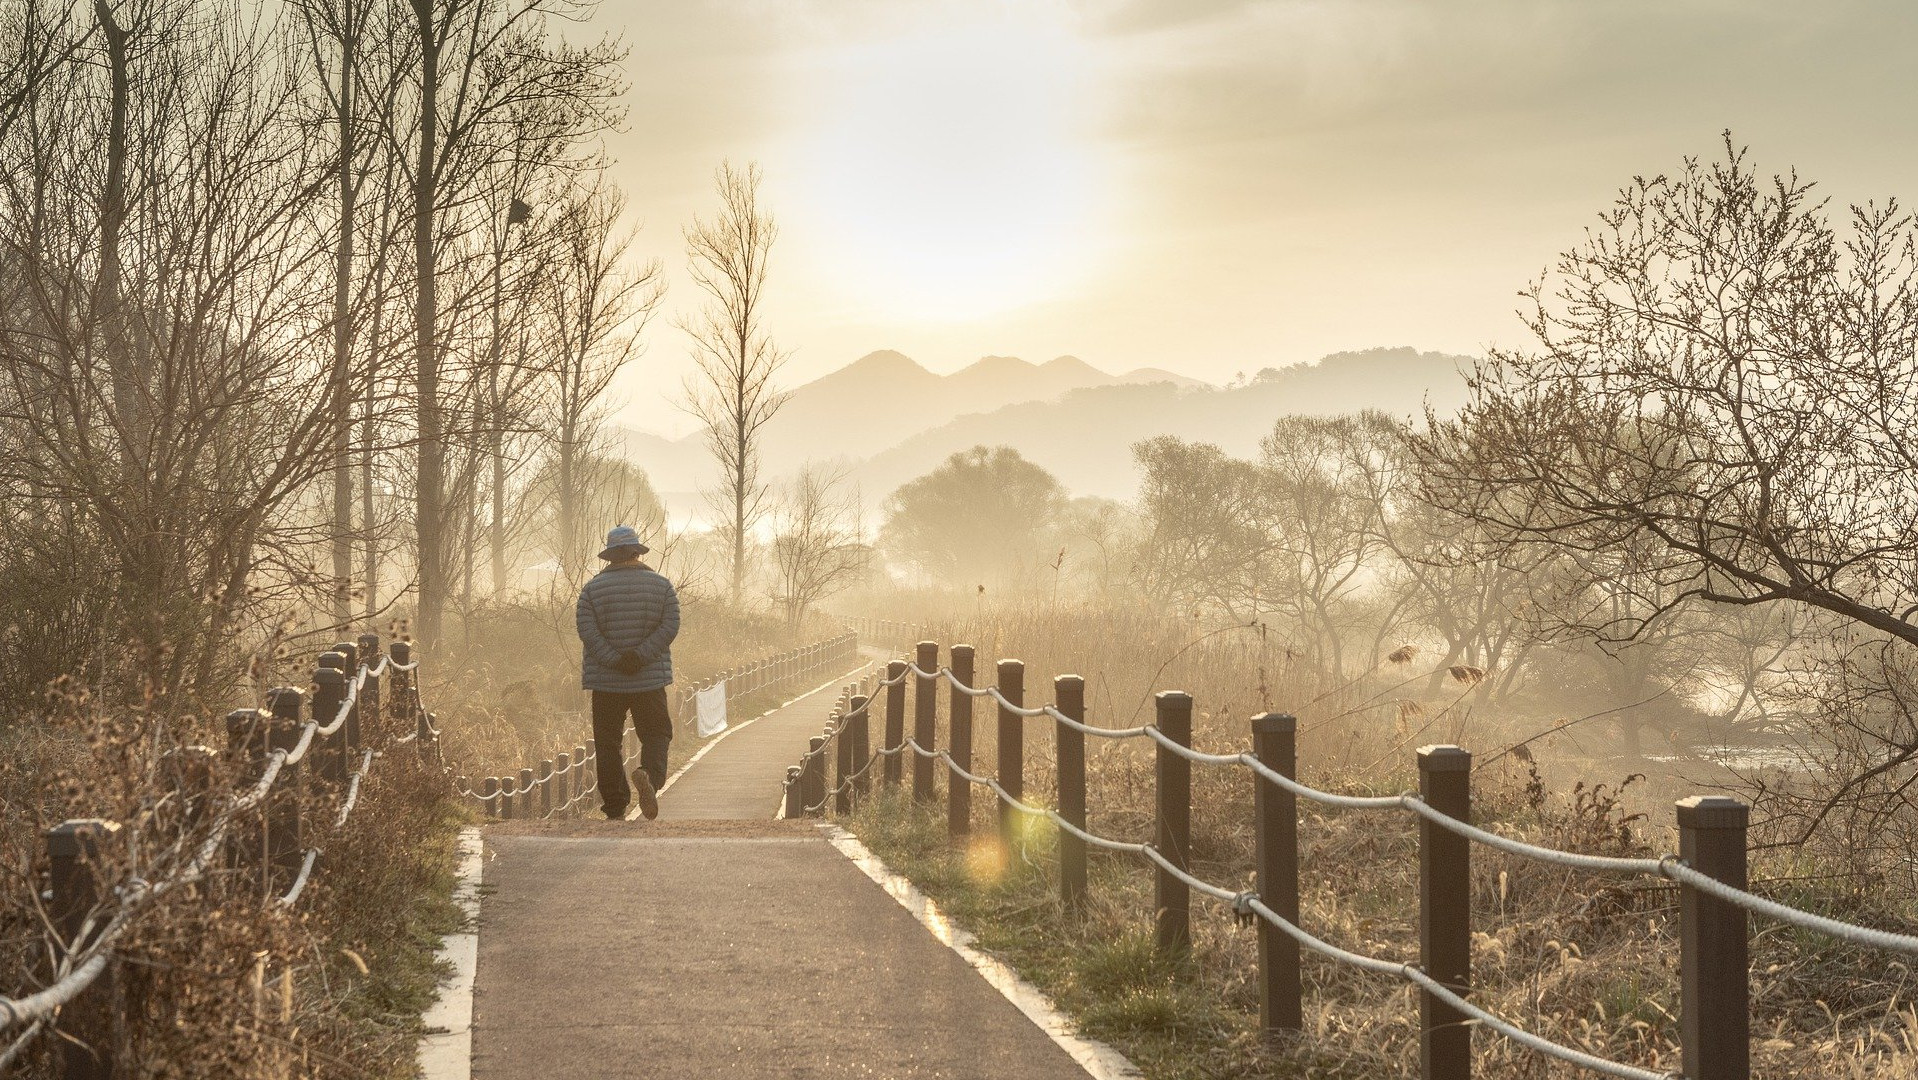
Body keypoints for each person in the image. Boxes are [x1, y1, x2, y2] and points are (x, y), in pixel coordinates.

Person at [575, 524, 680, 820]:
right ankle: (649, 776)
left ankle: (615, 805)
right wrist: (640, 656)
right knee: (657, 733)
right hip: (649, 678)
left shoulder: (591, 590)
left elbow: (587, 630)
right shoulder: (662, 586)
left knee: (608, 743)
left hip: (606, 681)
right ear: (637, 552)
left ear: (610, 556)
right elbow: (670, 626)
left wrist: (615, 660)